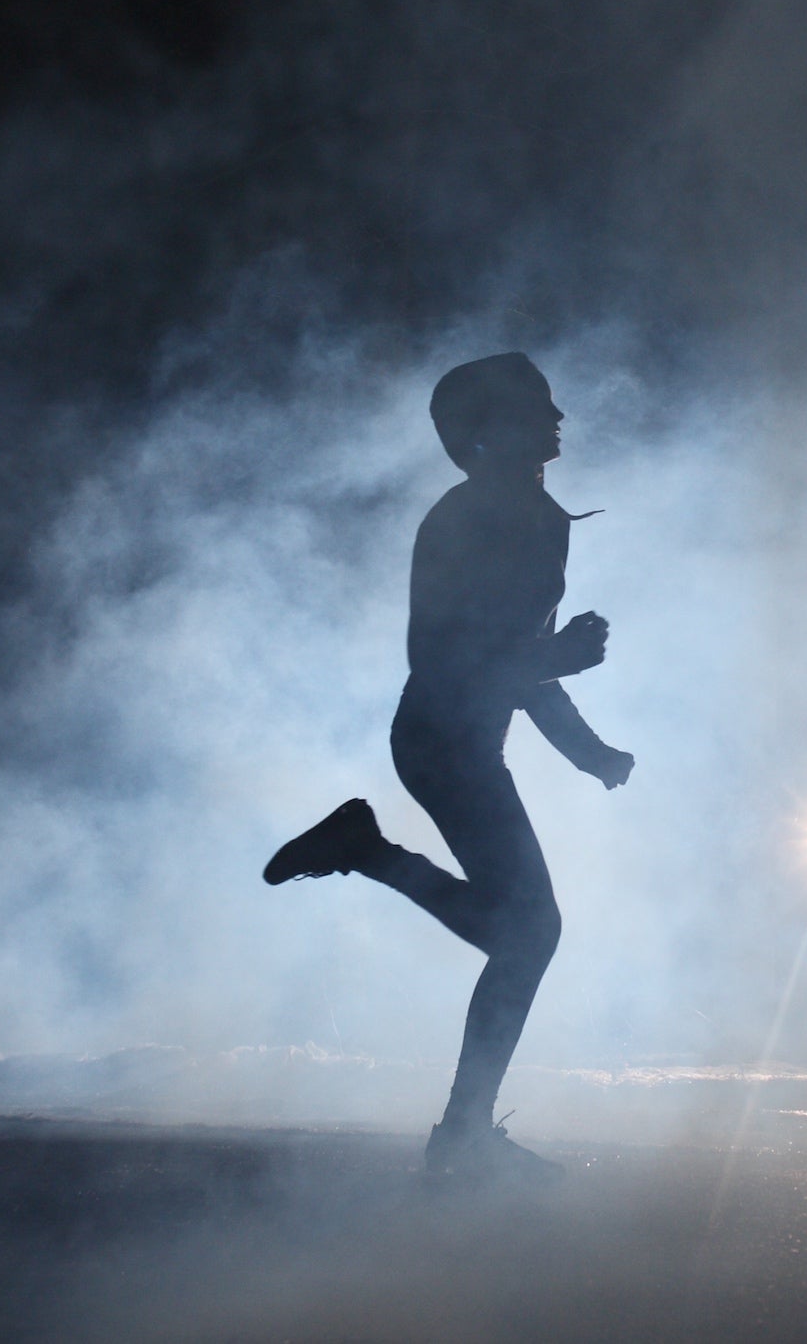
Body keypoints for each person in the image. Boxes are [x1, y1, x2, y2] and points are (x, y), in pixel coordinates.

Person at [262, 352, 633, 1182]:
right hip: (440, 741)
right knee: (531, 932)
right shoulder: (465, 522)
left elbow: (519, 668)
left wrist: (588, 749)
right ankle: (461, 1136)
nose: (558, 417)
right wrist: (560, 658)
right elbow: (439, 661)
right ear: (483, 436)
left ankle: (462, 1134)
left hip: (463, 745)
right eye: (536, 405)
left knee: (525, 932)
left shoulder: (537, 517)